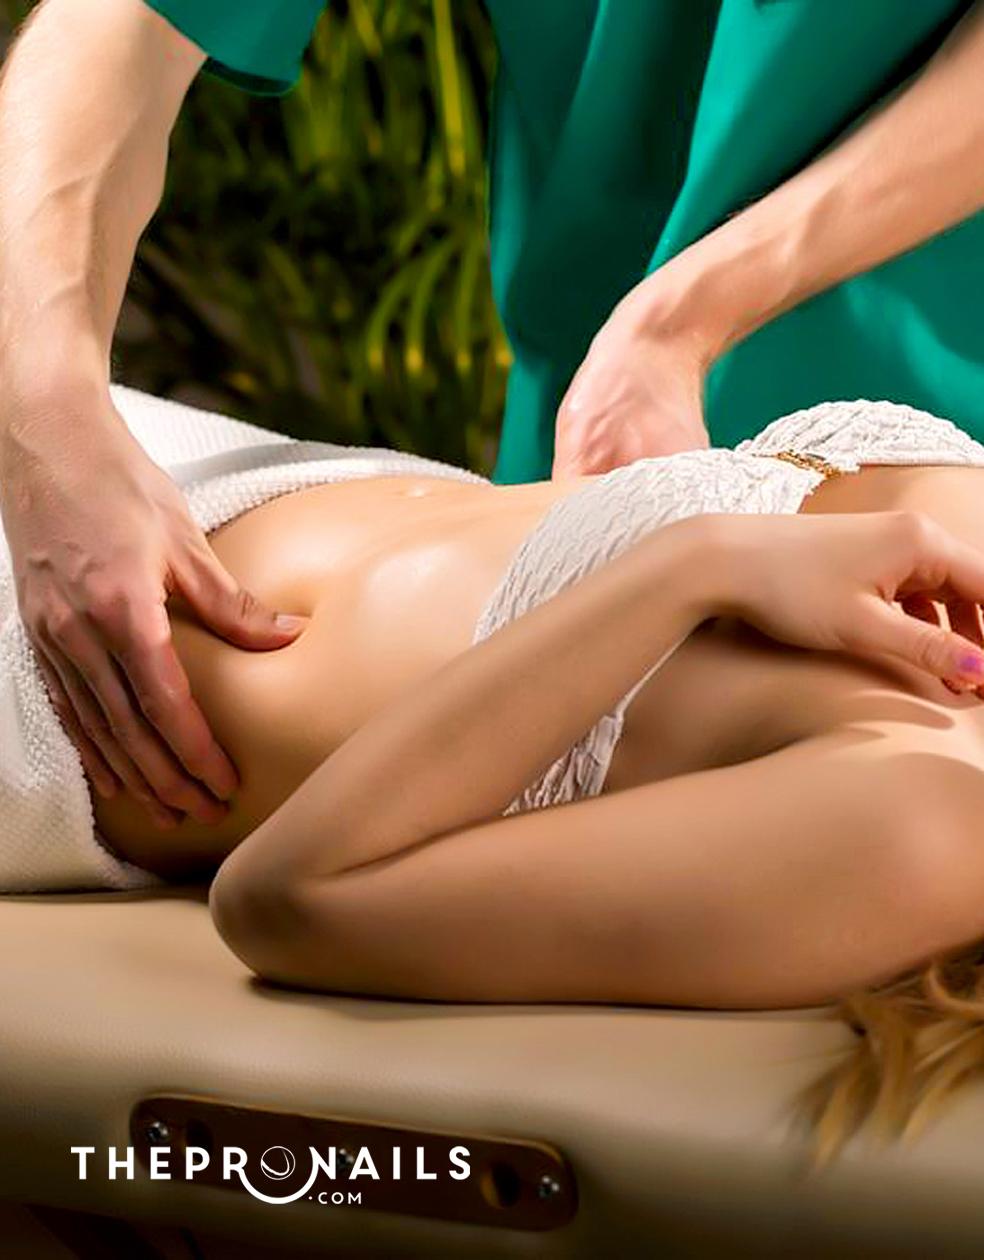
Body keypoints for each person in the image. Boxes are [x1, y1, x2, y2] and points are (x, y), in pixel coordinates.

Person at [2, 1, 984, 834]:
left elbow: (294, 897)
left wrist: (685, 328)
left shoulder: (912, 815)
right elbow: (118, 30)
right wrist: (44, 423)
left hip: (722, 485)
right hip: (586, 483)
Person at [8, 387, 978, 1165]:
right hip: (155, 473)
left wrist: (704, 564)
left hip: (65, 695)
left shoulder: (932, 837)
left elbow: (288, 899)